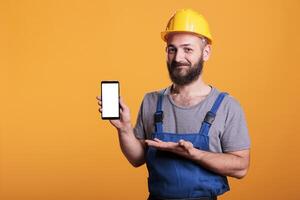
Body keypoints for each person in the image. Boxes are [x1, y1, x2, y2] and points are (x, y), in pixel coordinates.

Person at [96, 8, 251, 200]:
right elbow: (137, 159)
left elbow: (241, 167)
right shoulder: (151, 101)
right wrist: (124, 129)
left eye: (188, 49)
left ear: (206, 52)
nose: (178, 58)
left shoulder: (227, 106)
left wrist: (195, 154)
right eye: (172, 49)